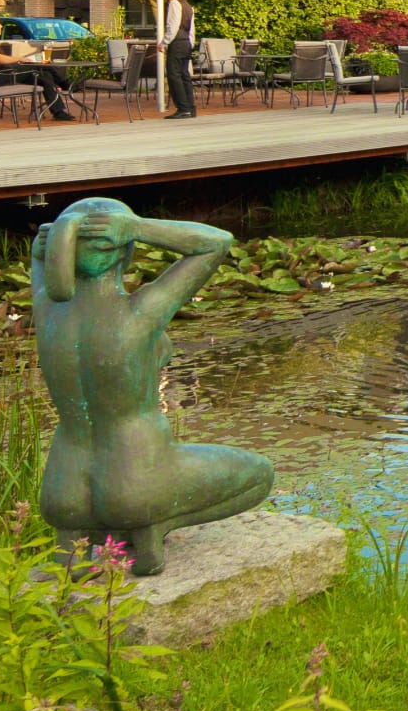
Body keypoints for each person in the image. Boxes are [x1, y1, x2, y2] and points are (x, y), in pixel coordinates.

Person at [32, 197, 273, 575]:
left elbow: (44, 271)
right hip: (137, 477)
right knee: (260, 475)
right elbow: (216, 242)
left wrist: (44, 250)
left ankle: (78, 546)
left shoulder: (48, 311)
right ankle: (151, 527)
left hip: (63, 491)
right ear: (123, 253)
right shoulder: (138, 314)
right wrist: (138, 227)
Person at [0, 14, 81, 121]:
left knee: (45, 76)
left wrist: (19, 61)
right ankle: (66, 84)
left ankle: (58, 111)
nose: (1, 26)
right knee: (39, 66)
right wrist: (19, 59)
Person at [162, 0, 198, 119]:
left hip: (177, 43)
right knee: (184, 75)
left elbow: (173, 26)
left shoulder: (174, 4)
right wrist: (190, 43)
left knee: (174, 76)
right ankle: (191, 108)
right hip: (186, 43)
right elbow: (191, 29)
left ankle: (183, 108)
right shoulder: (189, 6)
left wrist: (164, 42)